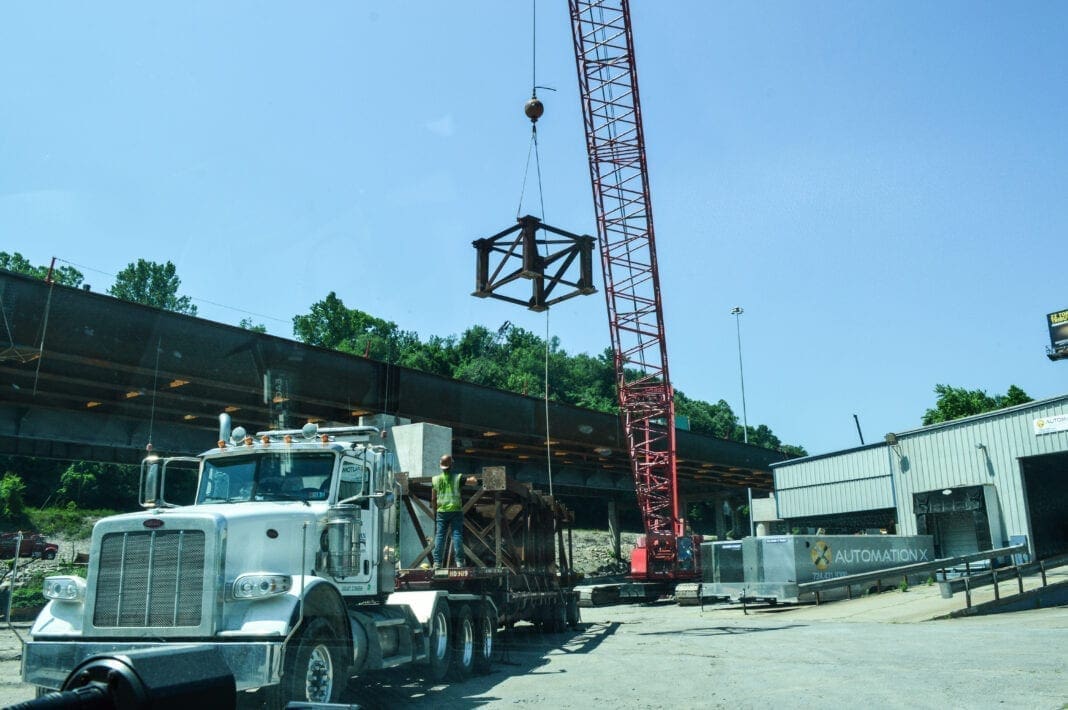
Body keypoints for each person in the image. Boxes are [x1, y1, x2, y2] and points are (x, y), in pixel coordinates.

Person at [431, 454, 477, 568]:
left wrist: (436, 509)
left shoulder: (435, 479)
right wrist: (473, 478)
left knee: (440, 536)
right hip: (455, 511)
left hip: (441, 511)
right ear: (452, 465)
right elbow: (473, 482)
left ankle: (437, 562)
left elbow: (433, 498)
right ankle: (460, 562)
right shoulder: (458, 478)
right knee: (456, 535)